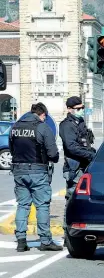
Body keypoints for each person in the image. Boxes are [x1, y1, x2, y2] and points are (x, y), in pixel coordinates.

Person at [9, 103, 62, 252]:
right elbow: (53, 154)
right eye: (45, 116)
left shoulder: (15, 127)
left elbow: (12, 149)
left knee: (23, 205)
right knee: (42, 205)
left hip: (19, 171)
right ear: (43, 114)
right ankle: (45, 240)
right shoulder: (42, 127)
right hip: (38, 170)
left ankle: (21, 240)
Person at [59, 96, 95, 241]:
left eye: (82, 108)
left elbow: (86, 143)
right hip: (75, 168)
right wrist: (90, 155)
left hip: (85, 166)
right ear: (69, 109)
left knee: (86, 200)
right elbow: (71, 147)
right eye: (78, 109)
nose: (81, 111)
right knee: (72, 200)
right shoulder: (66, 125)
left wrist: (92, 152)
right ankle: (68, 235)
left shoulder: (80, 123)